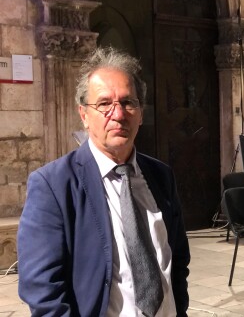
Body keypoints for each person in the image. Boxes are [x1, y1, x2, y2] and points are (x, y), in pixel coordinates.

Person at [17, 47, 190, 316]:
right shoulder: (53, 186)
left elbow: (177, 259)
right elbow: (42, 289)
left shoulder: (161, 176)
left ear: (140, 113)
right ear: (84, 115)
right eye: (104, 104)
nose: (118, 114)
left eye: (128, 102)